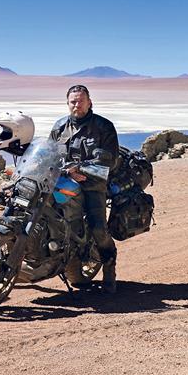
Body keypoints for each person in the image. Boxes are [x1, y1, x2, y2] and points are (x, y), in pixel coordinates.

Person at [49, 84, 119, 293]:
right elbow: (48, 154)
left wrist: (81, 169)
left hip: (92, 184)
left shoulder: (103, 127)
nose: (76, 105)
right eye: (72, 101)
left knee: (98, 228)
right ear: (67, 103)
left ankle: (109, 267)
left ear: (89, 102)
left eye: (80, 101)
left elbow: (111, 160)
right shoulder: (60, 127)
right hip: (63, 181)